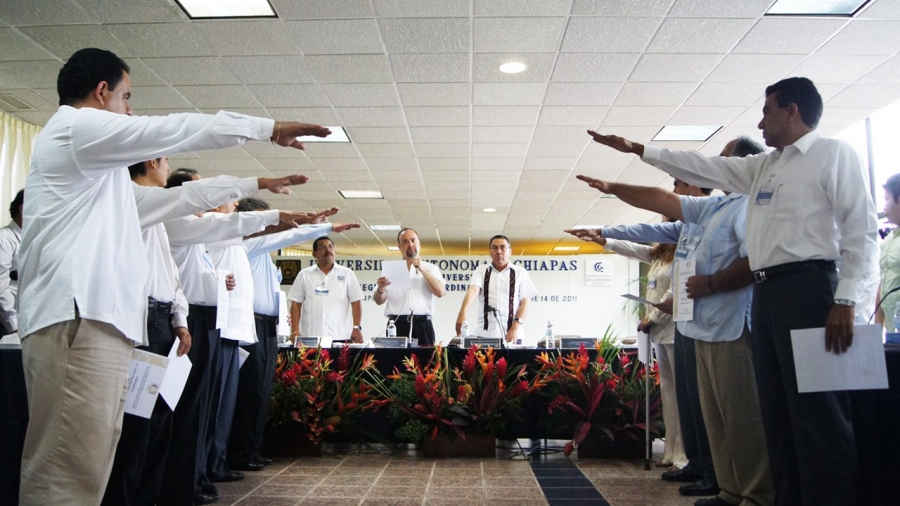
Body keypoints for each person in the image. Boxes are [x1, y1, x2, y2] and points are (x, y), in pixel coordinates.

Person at [16, 47, 330, 506]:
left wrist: (251, 189)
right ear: (102, 93)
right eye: (127, 98)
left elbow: (182, 206)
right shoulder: (72, 128)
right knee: (66, 471)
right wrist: (267, 129)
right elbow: (172, 128)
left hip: (96, 325)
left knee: (88, 467)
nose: (131, 110)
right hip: (77, 320)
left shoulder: (104, 185)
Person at [586, 77, 877, 506]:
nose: (761, 122)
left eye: (767, 111)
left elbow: (862, 231)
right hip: (768, 295)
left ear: (792, 111)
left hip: (812, 289)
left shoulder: (833, 154)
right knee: (775, 413)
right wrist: (640, 150)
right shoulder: (763, 168)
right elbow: (703, 167)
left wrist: (846, 299)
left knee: (820, 415)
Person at [104, 157, 296, 506]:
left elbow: (171, 278)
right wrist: (269, 202)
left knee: (166, 417)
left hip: (173, 320)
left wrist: (178, 318)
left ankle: (160, 490)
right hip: (148, 319)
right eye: (161, 160)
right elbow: (226, 225)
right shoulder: (148, 209)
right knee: (142, 419)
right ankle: (135, 494)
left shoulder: (165, 222)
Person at [227, 198, 358, 473]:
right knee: (250, 392)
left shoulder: (264, 252)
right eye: (261, 219)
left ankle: (252, 449)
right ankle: (239, 453)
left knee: (262, 394)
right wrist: (321, 225)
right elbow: (288, 234)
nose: (267, 225)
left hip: (267, 326)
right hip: (250, 324)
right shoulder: (246, 244)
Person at [568, 224, 687, 471]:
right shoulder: (657, 256)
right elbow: (631, 248)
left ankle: (684, 456)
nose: (662, 230)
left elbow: (676, 296)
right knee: (668, 395)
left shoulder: (683, 255)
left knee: (682, 396)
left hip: (675, 331)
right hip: (657, 335)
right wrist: (602, 240)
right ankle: (670, 452)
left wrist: (651, 318)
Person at [455, 235, 537, 343]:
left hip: (513, 335)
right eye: (495, 248)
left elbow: (525, 302)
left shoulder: (520, 272)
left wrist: (515, 327)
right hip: (484, 334)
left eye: (503, 248)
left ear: (510, 251)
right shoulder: (481, 271)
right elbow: (474, 290)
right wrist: (462, 313)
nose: (499, 251)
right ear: (490, 252)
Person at [374, 228, 445, 345]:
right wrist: (380, 289)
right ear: (400, 247)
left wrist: (421, 267)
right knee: (395, 362)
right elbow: (378, 300)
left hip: (422, 325)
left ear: (419, 243)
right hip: (397, 325)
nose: (410, 244)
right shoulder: (392, 269)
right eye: (405, 242)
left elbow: (440, 292)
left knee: (425, 362)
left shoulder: (431, 268)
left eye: (413, 240)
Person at [288, 236, 365, 344]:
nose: (328, 250)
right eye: (323, 247)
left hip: (340, 336)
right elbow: (296, 303)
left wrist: (356, 327)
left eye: (330, 246)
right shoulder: (304, 275)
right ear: (314, 254)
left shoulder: (347, 274)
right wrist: (294, 331)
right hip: (311, 337)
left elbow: (356, 302)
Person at [876, 173, 900, 328]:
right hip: (893, 332)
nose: (884, 207)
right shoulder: (888, 240)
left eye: (887, 199)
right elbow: (882, 286)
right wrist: (876, 329)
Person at [0, 189, 23, 336]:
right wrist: (12, 324)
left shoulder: (35, 239)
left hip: (29, 320)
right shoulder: (4, 239)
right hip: (8, 325)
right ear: (23, 209)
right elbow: (1, 284)